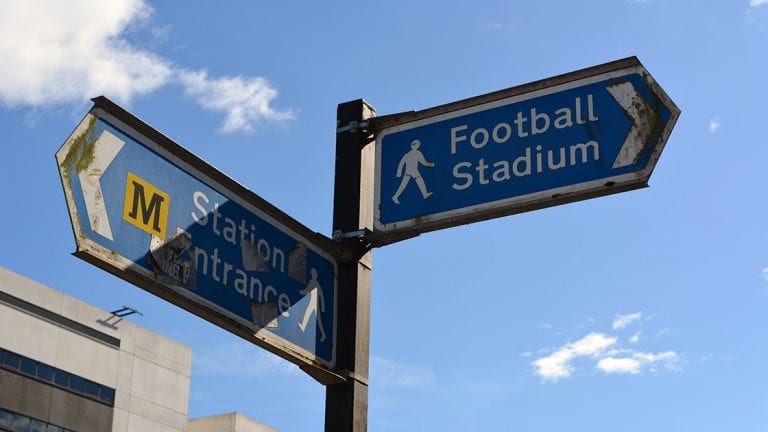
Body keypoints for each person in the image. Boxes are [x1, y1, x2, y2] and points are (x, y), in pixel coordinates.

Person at [391, 139, 435, 204]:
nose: (415, 145)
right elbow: (402, 163)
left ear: (418, 145)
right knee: (404, 185)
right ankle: (395, 197)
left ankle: (425, 194)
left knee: (418, 182)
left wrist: (399, 172)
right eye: (414, 144)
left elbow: (423, 162)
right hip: (411, 172)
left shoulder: (412, 153)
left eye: (416, 144)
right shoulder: (412, 154)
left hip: (412, 171)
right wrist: (432, 165)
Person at [298, 268, 326, 342]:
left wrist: (301, 292)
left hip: (315, 302)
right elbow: (308, 290)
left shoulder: (314, 282)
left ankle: (323, 334)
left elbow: (320, 295)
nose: (314, 275)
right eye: (313, 273)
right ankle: (303, 326)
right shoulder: (314, 282)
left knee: (319, 319)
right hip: (312, 302)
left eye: (314, 273)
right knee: (308, 313)